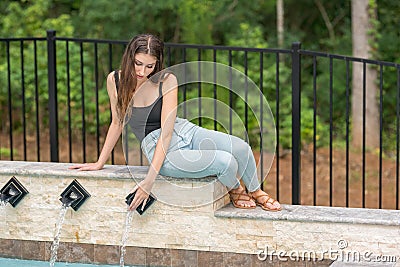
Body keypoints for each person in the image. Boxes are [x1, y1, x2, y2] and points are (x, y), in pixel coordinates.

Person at [69, 34, 281, 212]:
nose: (142, 72)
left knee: (242, 148)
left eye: (149, 66)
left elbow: (168, 132)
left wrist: (148, 181)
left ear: (157, 63)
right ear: (129, 58)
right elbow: (117, 122)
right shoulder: (115, 80)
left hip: (182, 131)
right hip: (161, 150)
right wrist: (100, 163)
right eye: (138, 63)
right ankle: (236, 189)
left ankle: (255, 191)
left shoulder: (166, 80)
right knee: (226, 162)